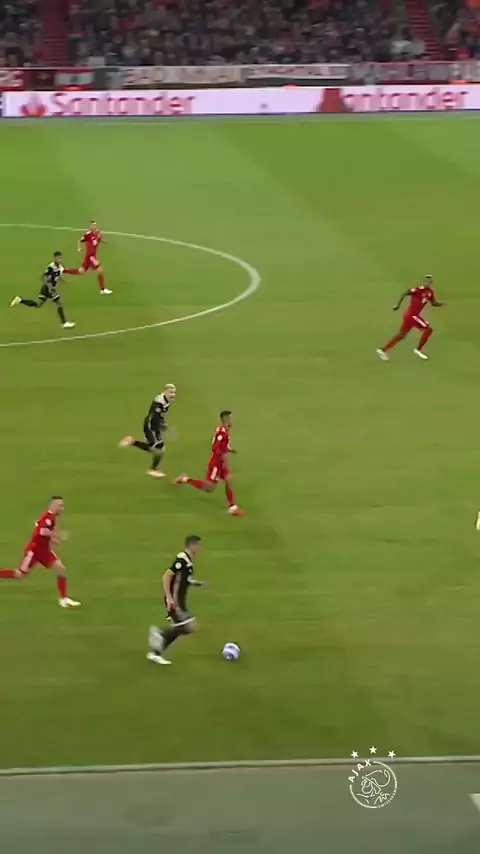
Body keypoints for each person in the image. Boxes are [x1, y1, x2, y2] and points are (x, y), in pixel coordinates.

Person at [0, 497, 81, 609]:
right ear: (53, 505)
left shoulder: (51, 517)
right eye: (60, 506)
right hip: (34, 551)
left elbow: (42, 532)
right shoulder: (47, 517)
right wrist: (59, 536)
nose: (62, 508)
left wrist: (54, 541)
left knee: (61, 569)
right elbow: (42, 531)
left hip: (44, 551)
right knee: (20, 574)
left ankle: (64, 599)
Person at [147, 535, 207, 665]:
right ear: (192, 545)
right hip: (175, 600)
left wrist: (198, 584)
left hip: (179, 600)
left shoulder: (188, 562)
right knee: (189, 627)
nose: (200, 548)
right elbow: (166, 576)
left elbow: (184, 580)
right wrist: (169, 597)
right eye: (198, 545)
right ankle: (160, 633)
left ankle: (155, 653)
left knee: (182, 628)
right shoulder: (182, 560)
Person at [175, 410, 244, 515]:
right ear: (226, 419)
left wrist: (229, 450)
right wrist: (222, 456)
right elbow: (215, 447)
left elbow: (222, 446)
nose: (233, 420)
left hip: (222, 462)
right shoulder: (222, 433)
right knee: (209, 488)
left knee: (229, 481)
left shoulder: (224, 430)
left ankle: (232, 507)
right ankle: (185, 479)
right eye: (231, 418)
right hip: (217, 463)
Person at [376, 275, 445, 361]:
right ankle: (418, 350)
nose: (427, 283)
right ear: (423, 282)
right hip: (412, 315)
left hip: (411, 316)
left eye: (429, 282)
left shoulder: (430, 292)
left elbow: (433, 303)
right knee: (428, 329)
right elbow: (405, 293)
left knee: (401, 335)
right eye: (426, 282)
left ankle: (383, 350)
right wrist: (398, 305)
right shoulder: (418, 290)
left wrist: (442, 304)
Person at [119, 383, 176, 478]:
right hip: (151, 427)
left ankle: (153, 467)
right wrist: (162, 428)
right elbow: (155, 419)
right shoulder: (158, 403)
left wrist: (163, 425)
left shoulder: (166, 401)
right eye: (170, 392)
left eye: (174, 392)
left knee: (159, 449)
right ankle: (152, 468)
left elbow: (161, 416)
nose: (172, 394)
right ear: (165, 391)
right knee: (158, 450)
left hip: (155, 427)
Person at [10, 252, 75, 329]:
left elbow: (58, 276)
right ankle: (64, 323)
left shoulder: (61, 267)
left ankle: (20, 300)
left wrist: (63, 280)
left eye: (61, 258)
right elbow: (44, 278)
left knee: (38, 304)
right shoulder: (51, 267)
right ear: (55, 259)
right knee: (59, 303)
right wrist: (50, 288)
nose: (60, 260)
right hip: (48, 288)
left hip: (47, 289)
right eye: (58, 258)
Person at [64, 220, 112, 295]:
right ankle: (102, 289)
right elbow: (79, 240)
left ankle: (63, 270)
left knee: (80, 271)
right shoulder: (88, 234)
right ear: (90, 226)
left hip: (89, 257)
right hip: (90, 257)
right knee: (101, 270)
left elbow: (99, 239)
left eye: (95, 225)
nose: (94, 226)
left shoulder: (98, 232)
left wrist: (104, 242)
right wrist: (79, 248)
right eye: (92, 225)